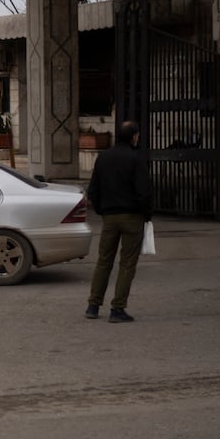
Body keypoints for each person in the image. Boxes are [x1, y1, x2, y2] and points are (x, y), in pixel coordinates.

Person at [84, 120, 151, 323]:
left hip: (109, 218)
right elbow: (144, 191)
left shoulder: (103, 158)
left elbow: (93, 189)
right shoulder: (136, 158)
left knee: (104, 261)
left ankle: (93, 305)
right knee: (127, 264)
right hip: (132, 217)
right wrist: (146, 215)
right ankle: (117, 308)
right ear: (133, 137)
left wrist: (102, 210)